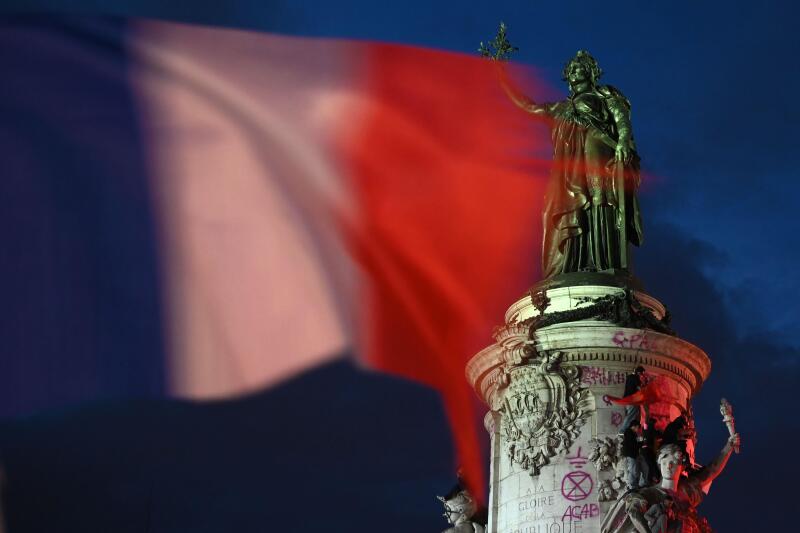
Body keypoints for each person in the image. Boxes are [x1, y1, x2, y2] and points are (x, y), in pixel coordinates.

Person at [499, 50, 643, 278]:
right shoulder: (560, 108)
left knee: (599, 201)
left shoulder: (604, 95)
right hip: (568, 169)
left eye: (580, 67)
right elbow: (528, 106)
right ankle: (572, 264)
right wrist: (502, 75)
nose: (575, 70)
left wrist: (623, 139)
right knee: (554, 207)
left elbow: (621, 118)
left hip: (599, 151)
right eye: (572, 68)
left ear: (590, 72)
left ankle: (603, 260)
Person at [619, 366, 646, 432]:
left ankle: (628, 430)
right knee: (631, 415)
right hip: (632, 400)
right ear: (639, 373)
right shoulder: (636, 378)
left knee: (631, 415)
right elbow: (640, 389)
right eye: (641, 374)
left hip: (627, 399)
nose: (641, 376)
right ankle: (622, 431)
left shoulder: (629, 377)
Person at [621, 420, 643, 491]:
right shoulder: (629, 433)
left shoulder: (631, 433)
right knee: (632, 471)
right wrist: (641, 443)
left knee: (634, 471)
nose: (638, 430)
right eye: (637, 428)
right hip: (630, 454)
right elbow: (633, 444)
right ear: (634, 426)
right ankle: (632, 487)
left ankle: (634, 485)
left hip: (632, 454)